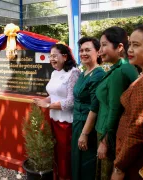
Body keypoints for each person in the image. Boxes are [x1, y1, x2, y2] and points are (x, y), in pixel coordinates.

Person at [111, 25, 143, 180]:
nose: (130, 50)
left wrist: (119, 167)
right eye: (129, 44)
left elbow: (137, 132)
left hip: (137, 161)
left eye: (136, 45)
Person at [94, 27, 139, 180]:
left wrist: (105, 142)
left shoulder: (120, 71)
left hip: (110, 134)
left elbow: (115, 109)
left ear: (120, 47)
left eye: (104, 45)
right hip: (111, 131)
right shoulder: (122, 68)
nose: (100, 50)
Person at [34, 44, 80, 180]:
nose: (51, 59)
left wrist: (47, 105)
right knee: (55, 154)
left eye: (55, 56)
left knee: (65, 156)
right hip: (53, 119)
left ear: (65, 57)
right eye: (50, 56)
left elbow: (71, 102)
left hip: (66, 123)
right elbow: (54, 95)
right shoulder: (54, 73)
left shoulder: (74, 73)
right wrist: (42, 100)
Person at [72, 37, 105, 180]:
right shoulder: (83, 72)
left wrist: (85, 134)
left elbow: (95, 107)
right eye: (81, 50)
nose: (83, 53)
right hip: (77, 123)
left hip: (88, 126)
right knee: (76, 161)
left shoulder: (98, 74)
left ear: (98, 52)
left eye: (87, 50)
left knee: (86, 164)